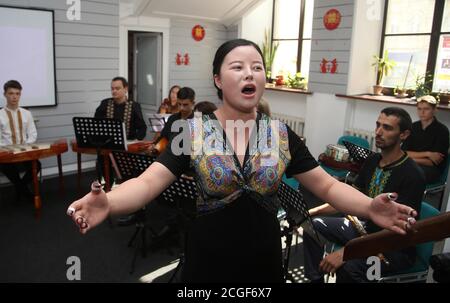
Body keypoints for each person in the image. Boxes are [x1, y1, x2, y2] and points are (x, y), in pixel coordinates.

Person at [67, 39, 418, 283]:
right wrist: (110, 202)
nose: (250, 73)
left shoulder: (282, 136)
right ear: (219, 80)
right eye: (238, 67)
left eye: (257, 67)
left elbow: (325, 184)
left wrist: (371, 207)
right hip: (207, 260)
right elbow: (147, 182)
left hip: (263, 259)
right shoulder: (192, 132)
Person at [303, 107, 425, 283]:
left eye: (387, 128)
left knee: (350, 267)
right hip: (363, 230)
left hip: (393, 249)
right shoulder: (373, 160)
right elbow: (348, 199)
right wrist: (311, 213)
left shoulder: (413, 175)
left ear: (404, 135)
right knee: (312, 226)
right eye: (378, 125)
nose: (378, 132)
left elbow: (400, 232)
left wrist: (347, 253)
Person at [94, 77, 147, 183]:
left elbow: (142, 127)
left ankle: (127, 185)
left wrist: (136, 140)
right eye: (112, 88)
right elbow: (96, 123)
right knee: (102, 160)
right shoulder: (105, 104)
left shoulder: (134, 106)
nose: (114, 91)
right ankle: (107, 184)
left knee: (128, 176)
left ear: (125, 89)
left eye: (117, 88)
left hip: (126, 145)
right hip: (108, 144)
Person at [0, 80, 39, 201]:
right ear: (5, 94)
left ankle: (19, 188)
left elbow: (32, 134)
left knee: (37, 166)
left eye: (17, 93)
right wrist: (8, 149)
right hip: (6, 152)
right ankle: (24, 190)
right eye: (11, 93)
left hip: (24, 150)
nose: (14, 96)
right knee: (6, 167)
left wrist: (25, 147)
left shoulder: (27, 113)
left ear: (20, 95)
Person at [402, 95, 449, 183]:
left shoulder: (442, 131)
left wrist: (410, 159)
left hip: (431, 170)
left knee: (408, 173)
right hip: (411, 164)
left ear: (434, 110)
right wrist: (428, 154)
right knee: (392, 168)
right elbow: (404, 152)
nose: (422, 112)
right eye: (419, 109)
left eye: (426, 109)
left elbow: (434, 162)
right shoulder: (413, 126)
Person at [149, 87, 196, 154]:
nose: (181, 108)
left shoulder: (198, 121)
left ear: (193, 103)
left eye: (185, 105)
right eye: (179, 104)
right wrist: (154, 144)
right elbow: (163, 136)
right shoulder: (172, 118)